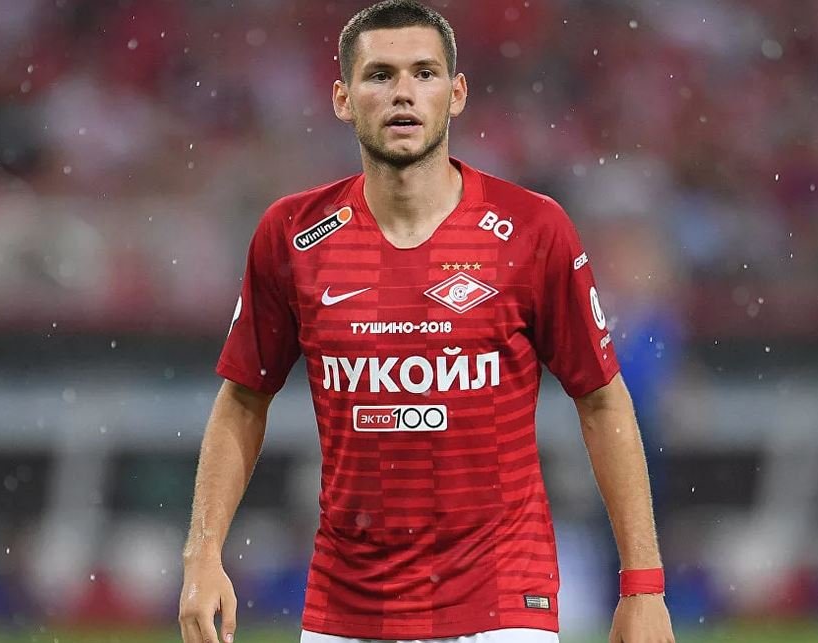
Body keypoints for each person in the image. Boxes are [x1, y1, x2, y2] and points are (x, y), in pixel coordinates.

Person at [179, 2, 675, 642]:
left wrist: (643, 586)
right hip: (347, 607)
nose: (403, 93)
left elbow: (603, 400)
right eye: (379, 75)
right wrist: (203, 554)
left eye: (424, 72)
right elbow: (243, 399)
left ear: (456, 93)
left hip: (502, 603)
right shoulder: (293, 235)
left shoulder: (532, 229)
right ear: (342, 98)